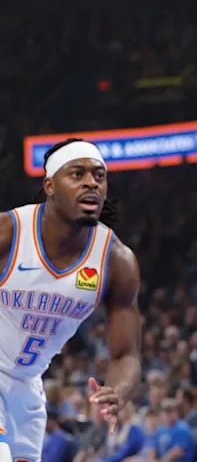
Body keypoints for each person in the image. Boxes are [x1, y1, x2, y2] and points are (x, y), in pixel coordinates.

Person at [0, 138, 141, 461]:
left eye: (99, 176)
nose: (91, 182)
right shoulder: (10, 232)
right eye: (77, 174)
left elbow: (127, 355)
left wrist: (117, 392)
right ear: (50, 185)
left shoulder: (116, 260)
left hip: (27, 389)